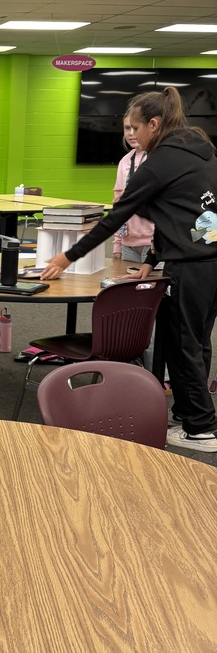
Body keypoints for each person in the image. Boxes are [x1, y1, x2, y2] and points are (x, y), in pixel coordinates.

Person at [41, 87, 217, 452]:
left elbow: (114, 219)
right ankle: (189, 414)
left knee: (183, 344)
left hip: (192, 267)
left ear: (154, 124)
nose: (130, 135)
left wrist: (66, 257)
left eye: (135, 127)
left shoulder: (158, 162)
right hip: (210, 261)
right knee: (196, 342)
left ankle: (201, 428)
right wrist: (153, 261)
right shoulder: (201, 151)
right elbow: (189, 217)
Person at [113, 114, 153, 263]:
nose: (131, 133)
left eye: (135, 128)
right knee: (127, 285)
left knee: (152, 285)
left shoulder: (156, 158)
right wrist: (117, 243)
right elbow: (118, 205)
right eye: (127, 128)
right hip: (127, 243)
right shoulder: (124, 161)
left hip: (152, 241)